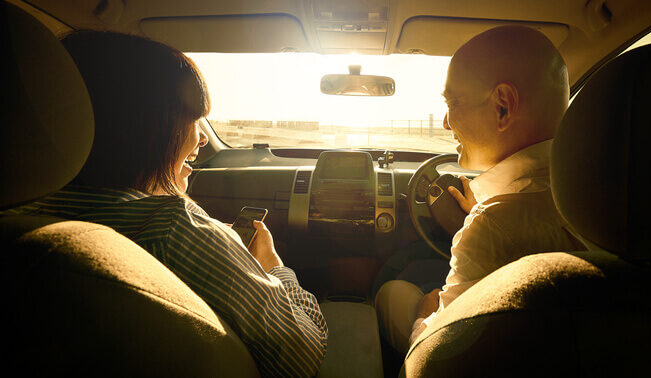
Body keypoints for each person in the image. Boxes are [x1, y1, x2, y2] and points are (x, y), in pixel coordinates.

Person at [6, 31, 327, 377]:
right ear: (145, 126)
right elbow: (302, 356)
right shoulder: (174, 229)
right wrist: (272, 267)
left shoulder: (18, 215)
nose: (203, 137)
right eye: (190, 120)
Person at [375, 25, 587, 356]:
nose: (446, 122)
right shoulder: (596, 193)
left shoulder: (493, 228)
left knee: (392, 292)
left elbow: (434, 355)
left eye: (453, 102)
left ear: (502, 107)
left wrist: (422, 319)